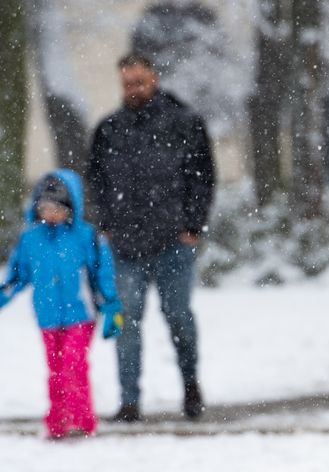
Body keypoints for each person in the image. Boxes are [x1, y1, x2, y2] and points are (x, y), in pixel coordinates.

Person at [86, 52, 216, 422]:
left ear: (154, 79)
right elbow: (95, 180)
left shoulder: (184, 123)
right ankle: (129, 402)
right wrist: (105, 224)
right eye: (127, 83)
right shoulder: (109, 129)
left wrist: (193, 226)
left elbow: (202, 177)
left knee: (179, 318)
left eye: (139, 82)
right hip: (125, 245)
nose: (133, 89)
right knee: (126, 322)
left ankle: (191, 388)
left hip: (174, 242)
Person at [0, 170, 123, 439]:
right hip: (47, 316)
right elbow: (18, 275)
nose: (51, 213)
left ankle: (81, 421)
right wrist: (4, 295)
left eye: (57, 208)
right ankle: (57, 422)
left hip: (80, 314)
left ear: (71, 207)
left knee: (73, 364)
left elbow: (100, 273)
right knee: (56, 370)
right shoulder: (31, 239)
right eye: (45, 207)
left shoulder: (85, 236)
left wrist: (110, 306)